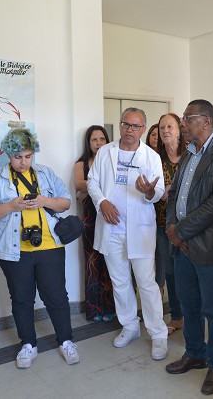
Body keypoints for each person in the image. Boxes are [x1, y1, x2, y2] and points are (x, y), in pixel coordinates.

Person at [0, 128, 79, 368]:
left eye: (28, 156)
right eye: (18, 157)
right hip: (13, 251)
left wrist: (44, 201)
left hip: (50, 246)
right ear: (8, 155)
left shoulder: (46, 174)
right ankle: (28, 344)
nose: (23, 162)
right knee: (21, 299)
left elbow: (65, 202)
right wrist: (10, 206)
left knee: (56, 296)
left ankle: (66, 341)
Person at [164, 99, 213, 395]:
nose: (183, 123)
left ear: (206, 121)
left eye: (188, 118)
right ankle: (195, 352)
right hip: (181, 244)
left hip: (208, 244)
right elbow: (174, 194)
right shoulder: (188, 154)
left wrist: (181, 230)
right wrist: (173, 227)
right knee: (188, 303)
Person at [86, 107, 169, 360]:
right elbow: (92, 181)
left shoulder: (151, 156)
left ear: (143, 129)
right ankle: (130, 326)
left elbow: (159, 192)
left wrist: (148, 192)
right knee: (120, 281)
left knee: (147, 283)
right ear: (120, 125)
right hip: (111, 228)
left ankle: (158, 333)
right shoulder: (106, 152)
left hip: (139, 230)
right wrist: (102, 203)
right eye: (125, 124)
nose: (129, 130)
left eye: (135, 126)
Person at [73, 125, 115, 323]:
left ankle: (109, 308)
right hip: (90, 220)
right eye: (94, 140)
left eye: (102, 139)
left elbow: (87, 186)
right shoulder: (81, 163)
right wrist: (98, 185)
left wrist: (89, 187)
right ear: (88, 143)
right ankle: (93, 309)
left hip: (109, 219)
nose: (99, 143)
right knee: (91, 263)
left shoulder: (113, 161)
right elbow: (78, 184)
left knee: (109, 263)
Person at [154, 112, 187, 334]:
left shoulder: (190, 156)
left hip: (187, 225)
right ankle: (176, 316)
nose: (165, 131)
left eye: (170, 127)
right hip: (162, 224)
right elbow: (153, 190)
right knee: (171, 271)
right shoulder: (154, 158)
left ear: (179, 131)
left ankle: (192, 313)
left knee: (189, 271)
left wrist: (168, 190)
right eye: (162, 127)